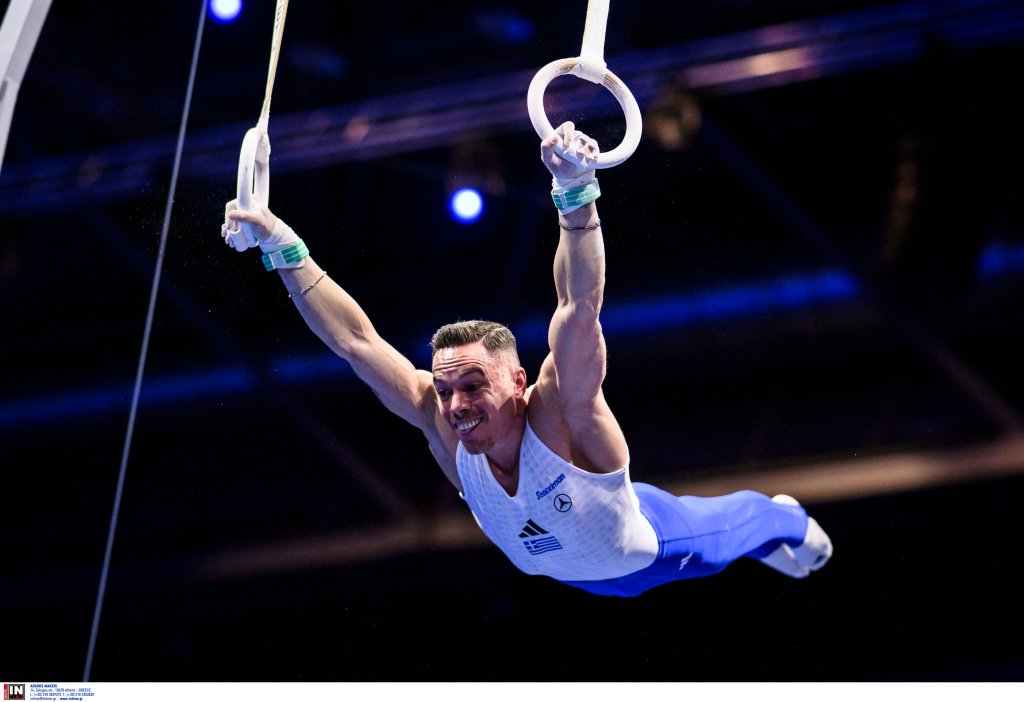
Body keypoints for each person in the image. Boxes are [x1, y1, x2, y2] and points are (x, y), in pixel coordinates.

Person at [220, 121, 833, 597]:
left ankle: (789, 522)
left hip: (652, 547)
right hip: (576, 573)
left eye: (472, 385)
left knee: (737, 528)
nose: (454, 405)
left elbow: (580, 305)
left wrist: (575, 195)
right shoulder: (438, 417)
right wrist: (284, 248)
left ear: (517, 380)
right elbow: (355, 342)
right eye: (445, 388)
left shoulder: (561, 406)